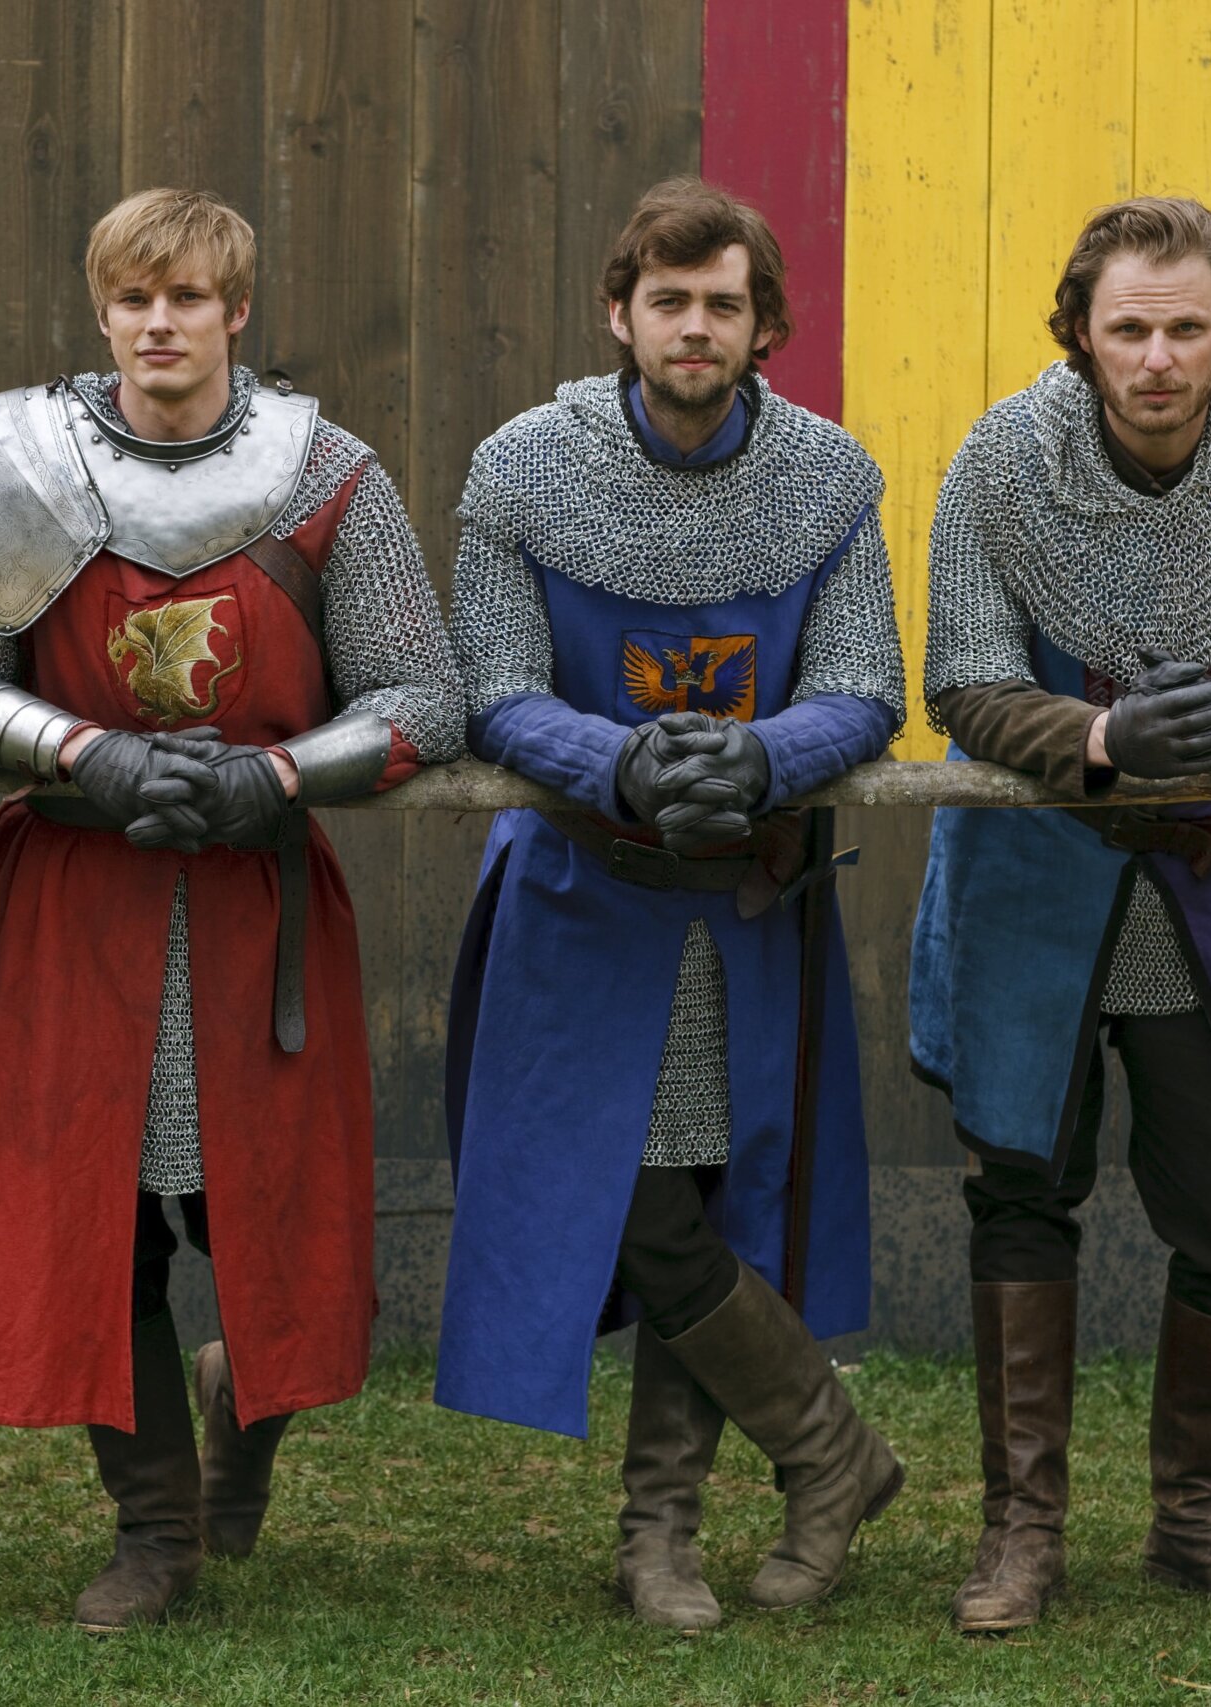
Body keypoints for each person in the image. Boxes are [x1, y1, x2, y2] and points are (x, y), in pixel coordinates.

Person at [0, 187, 463, 1631]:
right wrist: (86, 751)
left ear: (235, 310)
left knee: (276, 1223)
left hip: (259, 900)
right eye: (134, 298)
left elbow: (424, 695)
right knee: (103, 1225)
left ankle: (239, 1426)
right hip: (80, 899)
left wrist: (277, 776)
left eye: (188, 297)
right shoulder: (9, 460)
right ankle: (154, 1531)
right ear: (103, 308)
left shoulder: (327, 475)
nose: (159, 323)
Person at [911, 196, 1211, 1632]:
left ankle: (1196, 1518)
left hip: (1206, 871)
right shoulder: (1006, 459)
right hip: (1036, 862)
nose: (1158, 358)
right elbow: (964, 680)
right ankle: (1022, 1535)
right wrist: (1098, 739)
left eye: (1188, 327)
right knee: (1021, 1185)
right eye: (1129, 327)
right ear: (1080, 330)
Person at [434, 177, 908, 1630]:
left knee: (707, 1196)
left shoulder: (828, 480)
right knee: (629, 1197)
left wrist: (763, 759)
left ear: (764, 326)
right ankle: (829, 1452)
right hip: (583, 892)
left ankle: (663, 1537)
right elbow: (496, 688)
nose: (694, 327)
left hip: (743, 900)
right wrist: (622, 763)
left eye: (723, 304)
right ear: (618, 314)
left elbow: (865, 688)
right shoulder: (525, 469)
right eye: (669, 301)